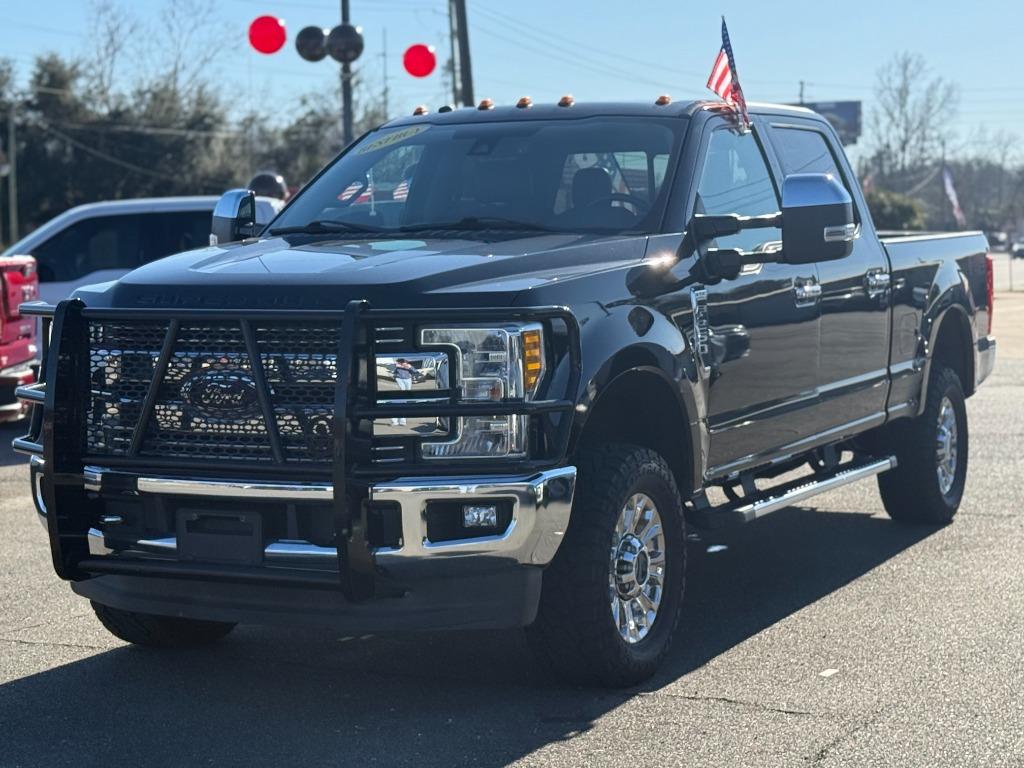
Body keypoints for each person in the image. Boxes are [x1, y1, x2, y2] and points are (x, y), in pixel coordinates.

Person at [391, 358, 414, 426]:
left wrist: (407, 366)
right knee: (402, 395)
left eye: (403, 362)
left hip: (408, 379)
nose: (401, 363)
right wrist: (396, 366)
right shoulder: (396, 366)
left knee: (406, 396)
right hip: (399, 379)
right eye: (400, 362)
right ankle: (396, 421)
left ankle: (402, 421)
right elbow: (392, 371)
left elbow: (415, 371)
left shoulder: (408, 365)